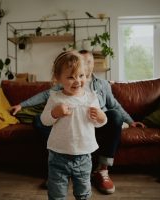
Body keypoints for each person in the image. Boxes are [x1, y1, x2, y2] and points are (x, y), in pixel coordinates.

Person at [11, 50, 145, 194]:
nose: (83, 66)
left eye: (88, 62)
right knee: (38, 120)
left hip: (94, 123)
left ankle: (102, 170)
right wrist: (22, 105)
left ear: (92, 65)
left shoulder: (102, 85)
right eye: (81, 61)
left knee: (116, 115)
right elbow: (44, 95)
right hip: (68, 125)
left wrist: (129, 121)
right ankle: (61, 168)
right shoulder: (62, 87)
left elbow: (114, 105)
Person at [41, 50, 107, 199]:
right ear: (58, 78)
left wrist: (102, 117)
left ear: (87, 75)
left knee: (83, 194)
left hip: (83, 156)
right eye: (71, 77)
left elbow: (98, 124)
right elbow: (44, 120)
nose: (77, 81)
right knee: (56, 195)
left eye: (81, 76)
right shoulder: (55, 98)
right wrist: (55, 113)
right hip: (58, 155)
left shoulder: (91, 98)